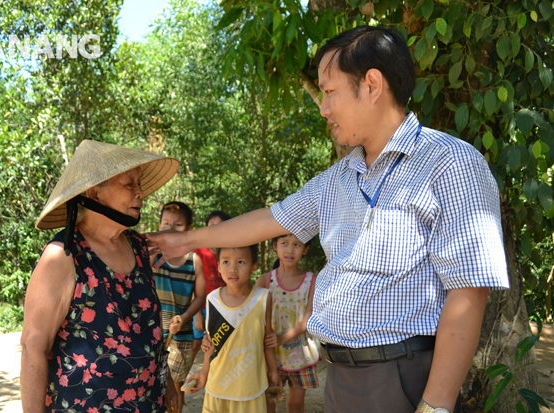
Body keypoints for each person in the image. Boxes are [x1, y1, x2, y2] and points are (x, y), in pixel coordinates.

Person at [147, 25, 509, 413]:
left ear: (371, 85)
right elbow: (270, 219)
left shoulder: (450, 163)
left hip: (401, 375)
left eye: (329, 91)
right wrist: (184, 241)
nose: (323, 107)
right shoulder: (339, 177)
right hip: (339, 376)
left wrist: (435, 405)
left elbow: (469, 290)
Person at [21, 139, 180, 413]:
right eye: (129, 184)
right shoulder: (63, 256)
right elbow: (32, 347)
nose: (140, 193)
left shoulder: (139, 248)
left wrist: (167, 382)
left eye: (139, 183)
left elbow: (149, 334)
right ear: (94, 193)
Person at [185, 245, 279, 412]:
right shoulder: (212, 299)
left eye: (241, 262)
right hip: (217, 386)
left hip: (251, 387)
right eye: (226, 262)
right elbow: (211, 344)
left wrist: (273, 371)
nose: (233, 269)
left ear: (254, 265)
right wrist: (204, 373)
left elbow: (268, 340)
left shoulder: (263, 297)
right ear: (219, 266)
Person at [152, 201, 206, 413]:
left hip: (181, 336)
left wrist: (184, 318)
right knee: (153, 384)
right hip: (153, 333)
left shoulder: (195, 261)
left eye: (178, 225)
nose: (171, 229)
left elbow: (200, 296)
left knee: (175, 386)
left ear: (190, 229)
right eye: (166, 224)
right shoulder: (154, 256)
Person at [256, 234, 319, 413]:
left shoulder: (311, 280)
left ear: (305, 250)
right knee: (269, 401)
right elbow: (253, 317)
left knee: (295, 404)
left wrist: (281, 338)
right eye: (284, 243)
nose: (290, 250)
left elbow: (309, 318)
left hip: (301, 353)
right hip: (270, 354)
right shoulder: (265, 280)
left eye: (297, 245)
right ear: (275, 245)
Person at [192, 210, 232, 359]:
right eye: (211, 225)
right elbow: (193, 283)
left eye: (220, 225)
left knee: (221, 347)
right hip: (202, 308)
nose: (215, 228)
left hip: (225, 308)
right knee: (196, 345)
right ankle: (181, 380)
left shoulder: (232, 250)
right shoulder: (199, 251)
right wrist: (197, 315)